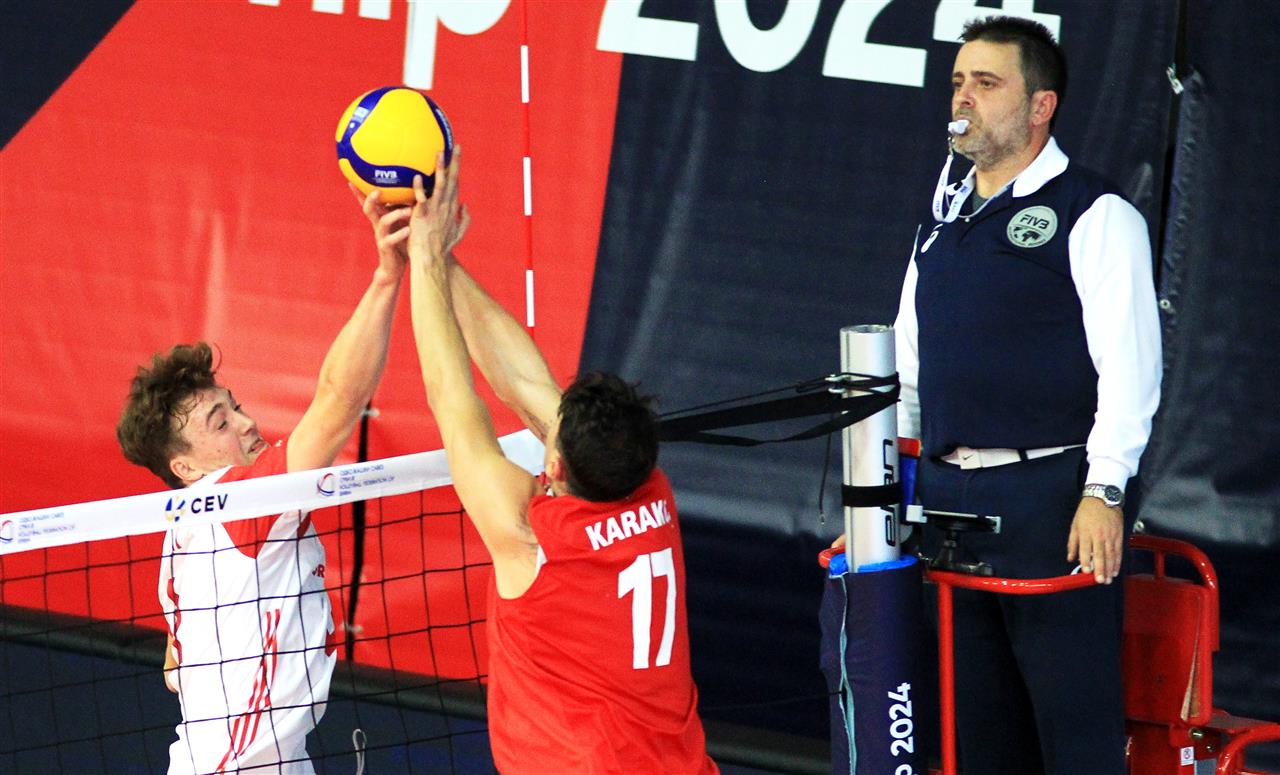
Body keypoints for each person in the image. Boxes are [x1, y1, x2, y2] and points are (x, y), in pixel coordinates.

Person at [894, 16, 1161, 775]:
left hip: (1053, 501)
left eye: (987, 83)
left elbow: (1131, 368)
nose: (963, 98)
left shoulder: (1094, 213)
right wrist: (890, 491)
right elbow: (907, 366)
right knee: (978, 736)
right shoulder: (942, 218)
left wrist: (1104, 491)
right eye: (958, 82)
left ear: (1041, 106)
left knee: (1073, 734)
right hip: (949, 504)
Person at [403, 151, 718, 775]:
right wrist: (442, 258)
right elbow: (525, 385)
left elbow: (451, 397)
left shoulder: (530, 536)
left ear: (552, 467)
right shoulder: (649, 486)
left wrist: (421, 257)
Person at [116, 183, 420, 774]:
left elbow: (176, 662)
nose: (248, 424)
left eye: (234, 406)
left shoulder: (185, 532)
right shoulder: (240, 502)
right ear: (185, 467)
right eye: (220, 422)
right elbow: (339, 400)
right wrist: (389, 275)